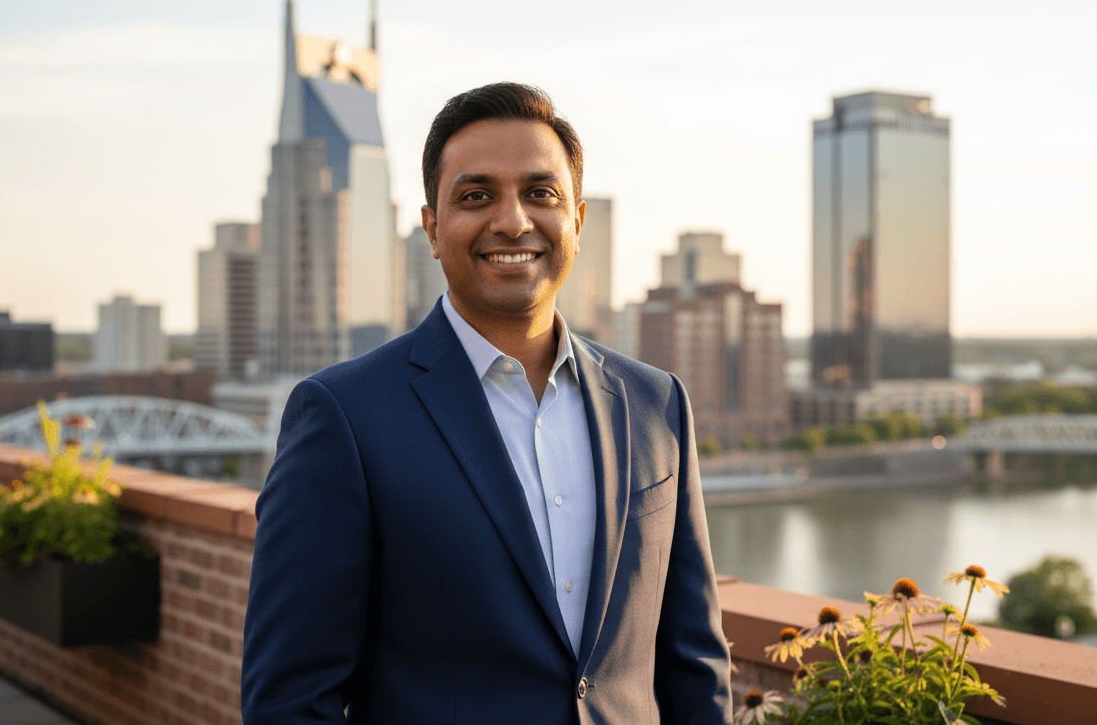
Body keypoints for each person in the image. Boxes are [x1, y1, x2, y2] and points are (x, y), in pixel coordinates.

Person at [242, 82, 732, 724]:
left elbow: (694, 664)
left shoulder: (656, 402)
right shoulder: (345, 417)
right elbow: (289, 702)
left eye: (540, 194)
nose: (512, 221)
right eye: (476, 197)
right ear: (433, 228)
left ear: (577, 221)